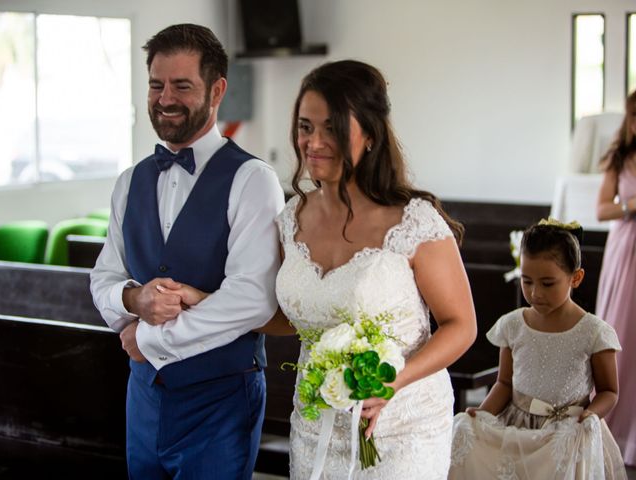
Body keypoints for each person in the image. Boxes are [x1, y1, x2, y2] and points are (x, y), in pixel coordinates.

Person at [262, 60, 477, 479]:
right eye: (306, 127)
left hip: (401, 427)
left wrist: (393, 381)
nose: (314, 142)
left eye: (332, 128)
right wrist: (208, 306)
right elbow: (292, 317)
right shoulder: (291, 219)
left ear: (371, 135)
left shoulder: (413, 221)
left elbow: (461, 325)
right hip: (316, 425)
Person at [89, 23, 285, 479]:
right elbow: (103, 278)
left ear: (217, 91)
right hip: (144, 396)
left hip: (220, 400)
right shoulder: (129, 181)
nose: (165, 98)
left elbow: (253, 298)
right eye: (156, 85)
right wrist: (134, 300)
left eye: (182, 85)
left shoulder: (253, 180)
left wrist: (148, 338)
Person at [449, 221, 626, 479]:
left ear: (575, 278)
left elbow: (609, 391)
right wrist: (483, 413)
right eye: (527, 280)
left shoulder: (594, 332)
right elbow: (505, 383)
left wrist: (589, 416)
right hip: (518, 430)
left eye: (547, 283)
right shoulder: (513, 325)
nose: (535, 293)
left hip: (567, 434)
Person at [596, 89, 636, 468]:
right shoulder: (620, 158)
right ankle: (617, 434)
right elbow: (602, 208)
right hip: (627, 251)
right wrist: (631, 205)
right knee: (624, 332)